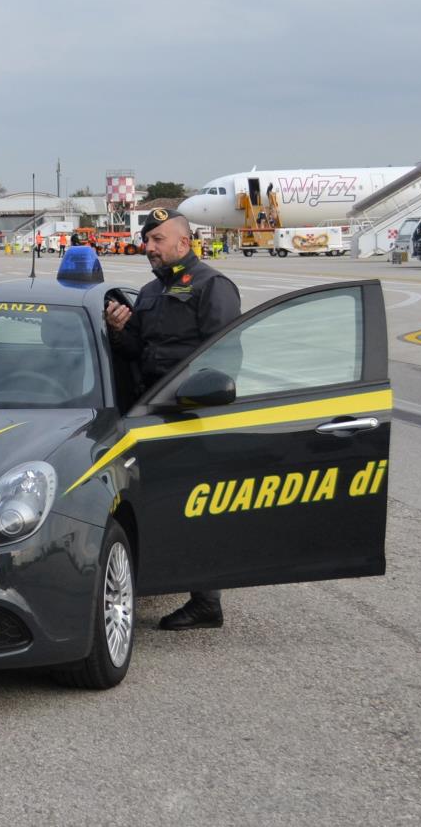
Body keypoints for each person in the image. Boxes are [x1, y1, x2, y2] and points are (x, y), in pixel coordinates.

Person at [105, 207, 242, 630]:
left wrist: (194, 398)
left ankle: (207, 601)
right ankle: (166, 579)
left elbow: (226, 357)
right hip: (152, 413)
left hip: (192, 414)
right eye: (147, 241)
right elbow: (138, 352)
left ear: (183, 243)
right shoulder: (149, 292)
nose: (149, 248)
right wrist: (118, 330)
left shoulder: (212, 286)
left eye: (157, 240)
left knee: (197, 506)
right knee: (162, 504)